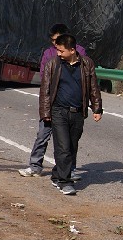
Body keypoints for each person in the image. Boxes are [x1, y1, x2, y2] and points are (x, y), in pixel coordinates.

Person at [19, 23, 87, 178]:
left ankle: (69, 170)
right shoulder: (48, 53)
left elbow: (84, 76)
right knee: (43, 135)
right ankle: (35, 166)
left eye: (57, 40)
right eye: (53, 41)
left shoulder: (80, 52)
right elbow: (45, 79)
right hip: (52, 103)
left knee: (69, 141)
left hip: (70, 105)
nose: (55, 45)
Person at [38, 34, 102, 195]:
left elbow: (93, 87)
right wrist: (45, 112)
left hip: (78, 113)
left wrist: (97, 108)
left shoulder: (86, 64)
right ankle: (64, 182)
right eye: (57, 50)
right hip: (58, 111)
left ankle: (56, 174)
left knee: (71, 147)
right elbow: (45, 90)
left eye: (61, 51)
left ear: (72, 50)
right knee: (63, 147)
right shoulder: (53, 64)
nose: (58, 53)